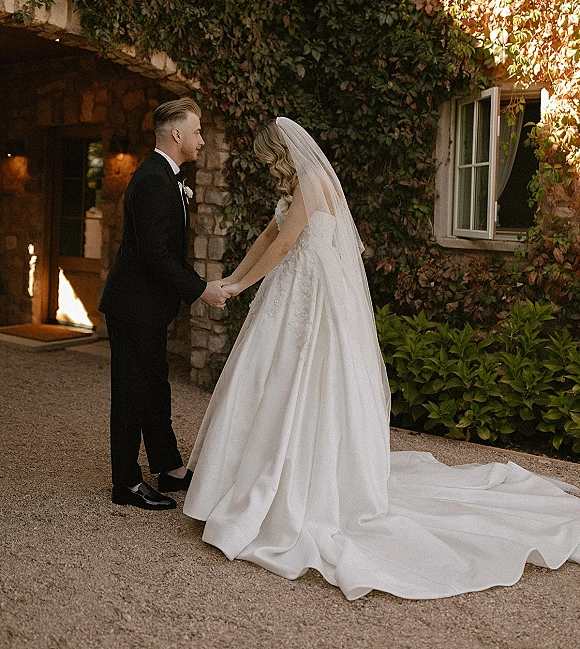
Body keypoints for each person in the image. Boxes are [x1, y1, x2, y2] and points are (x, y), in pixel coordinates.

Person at [183, 116, 580, 600]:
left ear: (284, 152)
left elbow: (287, 244)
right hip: (290, 289)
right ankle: (243, 479)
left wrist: (240, 287)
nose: (269, 168)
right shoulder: (297, 185)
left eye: (270, 158)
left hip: (313, 294)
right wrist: (230, 279)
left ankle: (301, 487)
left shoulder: (311, 181)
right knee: (268, 379)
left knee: (308, 383)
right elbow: (269, 238)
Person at [100, 98, 230, 511]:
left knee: (155, 386)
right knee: (132, 392)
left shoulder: (166, 176)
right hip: (133, 306)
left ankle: (169, 467)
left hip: (147, 307)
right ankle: (126, 483)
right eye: (196, 132)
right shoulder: (155, 180)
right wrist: (200, 289)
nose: (202, 141)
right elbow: (154, 255)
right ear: (176, 135)